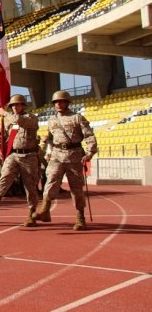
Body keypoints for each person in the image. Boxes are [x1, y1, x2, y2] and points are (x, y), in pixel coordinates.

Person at [34, 90, 97, 231]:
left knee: (76, 188)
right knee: (50, 181)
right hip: (56, 154)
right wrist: (45, 150)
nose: (58, 104)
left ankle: (80, 217)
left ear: (67, 102)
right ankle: (45, 210)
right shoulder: (52, 120)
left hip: (74, 155)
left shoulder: (77, 118)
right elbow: (50, 137)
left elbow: (89, 136)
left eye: (61, 101)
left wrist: (90, 153)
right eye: (56, 102)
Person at [0, 94, 40, 226]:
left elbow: (18, 121)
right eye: (12, 105)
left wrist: (5, 113)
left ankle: (32, 213)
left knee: (30, 186)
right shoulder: (8, 120)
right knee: (5, 176)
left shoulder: (31, 118)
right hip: (13, 155)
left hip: (29, 156)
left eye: (17, 104)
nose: (14, 107)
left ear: (23, 105)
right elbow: (1, 137)